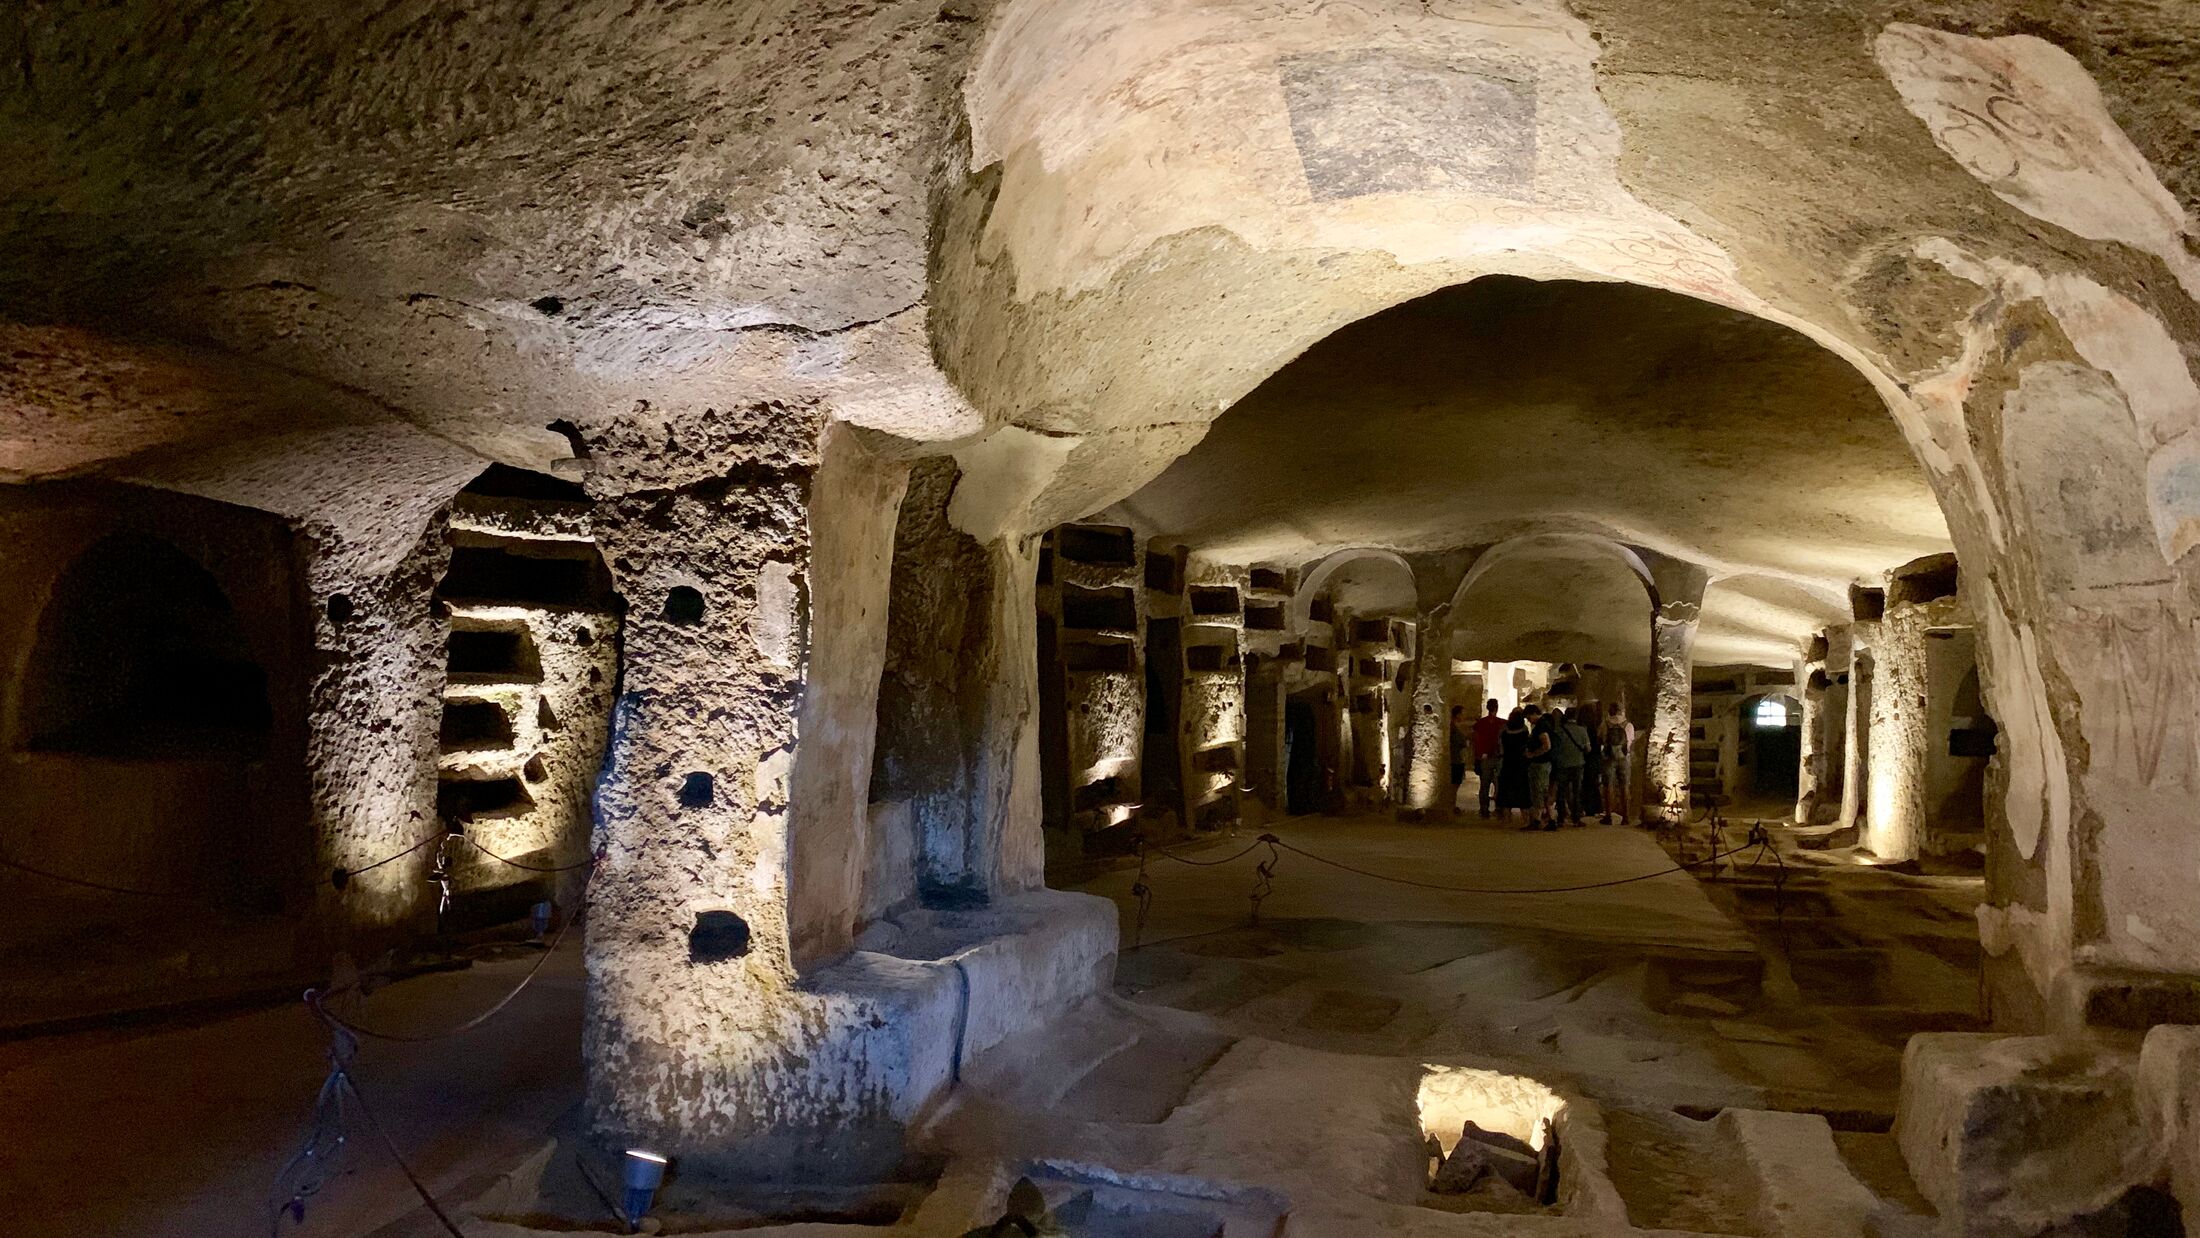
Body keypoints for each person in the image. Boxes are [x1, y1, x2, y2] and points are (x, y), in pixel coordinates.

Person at [1551, 707, 1592, 826]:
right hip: (1578, 764)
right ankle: (1576, 818)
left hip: (1562, 764)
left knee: (1561, 791)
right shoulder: (1582, 730)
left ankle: (1561, 817)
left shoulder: (1559, 731)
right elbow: (1588, 749)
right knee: (1577, 791)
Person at [1496, 707, 1534, 825]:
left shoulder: (1504, 730)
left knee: (1506, 792)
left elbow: (1500, 747)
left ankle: (1507, 819)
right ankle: (1525, 819)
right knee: (1522, 791)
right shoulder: (1524, 731)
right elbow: (1528, 745)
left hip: (1508, 763)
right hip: (1521, 764)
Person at [1600, 702, 1636, 825]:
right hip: (1624, 758)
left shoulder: (1605, 724)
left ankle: (1608, 816)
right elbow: (1630, 741)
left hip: (1608, 758)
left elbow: (1600, 738)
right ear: (1622, 711)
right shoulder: (1629, 725)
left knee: (1608, 786)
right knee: (1624, 786)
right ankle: (1626, 817)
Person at [1471, 698, 1507, 818]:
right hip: (1498, 757)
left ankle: (1484, 810)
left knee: (1484, 785)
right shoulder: (1502, 723)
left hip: (1485, 757)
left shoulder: (1480, 723)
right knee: (1499, 785)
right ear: (1497, 707)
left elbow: (1476, 741)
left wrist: (1477, 755)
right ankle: (1499, 809)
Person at [1523, 704, 1555, 830]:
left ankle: (1538, 820)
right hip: (1544, 763)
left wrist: (1532, 754)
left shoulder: (1541, 727)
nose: (1528, 720)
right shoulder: (1544, 724)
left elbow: (1546, 745)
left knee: (1539, 791)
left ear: (1534, 714)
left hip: (1541, 763)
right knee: (1543, 791)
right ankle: (1547, 819)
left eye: (1528, 717)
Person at [1446, 704, 1470, 816]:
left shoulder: (1455, 727)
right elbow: (1461, 742)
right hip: (1455, 759)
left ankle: (1452, 805)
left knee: (1455, 784)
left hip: (1458, 759)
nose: (1464, 716)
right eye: (1463, 713)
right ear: (1458, 714)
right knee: (1454, 785)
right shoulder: (1453, 728)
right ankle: (1450, 805)